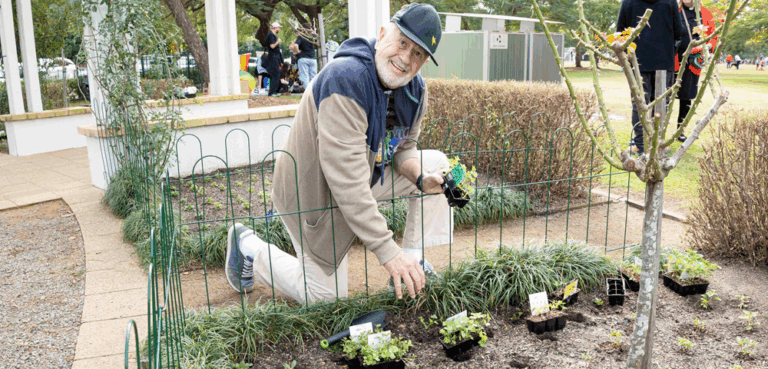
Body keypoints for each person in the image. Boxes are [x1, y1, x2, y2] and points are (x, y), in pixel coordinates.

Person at [225, 3, 447, 304]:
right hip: (313, 193)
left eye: (418, 53)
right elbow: (346, 181)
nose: (406, 58)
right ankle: (248, 246)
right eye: (403, 43)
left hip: (363, 175)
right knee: (324, 297)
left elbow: (404, 147)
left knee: (436, 165)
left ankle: (414, 263)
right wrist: (388, 251)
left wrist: (421, 178)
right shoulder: (346, 80)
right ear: (382, 36)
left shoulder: (414, 90)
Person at [617, 0, 685, 155]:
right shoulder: (670, 2)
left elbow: (620, 31)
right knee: (661, 104)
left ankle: (641, 145)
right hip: (663, 60)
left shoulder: (628, 2)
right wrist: (669, 51)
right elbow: (679, 31)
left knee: (639, 104)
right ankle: (658, 143)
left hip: (637, 59)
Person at [674, 0, 718, 142]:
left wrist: (701, 48)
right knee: (665, 95)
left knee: (686, 96)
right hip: (673, 60)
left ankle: (680, 130)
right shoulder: (674, 9)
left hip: (693, 61)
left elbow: (713, 38)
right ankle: (659, 130)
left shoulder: (705, 13)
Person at [290, 23, 318, 89]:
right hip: (312, 58)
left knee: (305, 76)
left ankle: (307, 92)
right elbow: (316, 35)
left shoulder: (301, 36)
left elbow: (295, 45)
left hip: (303, 58)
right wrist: (312, 31)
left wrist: (298, 52)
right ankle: (313, 91)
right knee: (313, 76)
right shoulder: (313, 36)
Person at [264, 22, 284, 96]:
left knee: (275, 74)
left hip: (275, 57)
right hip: (273, 57)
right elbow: (272, 46)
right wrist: (278, 42)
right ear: (275, 28)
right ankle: (272, 92)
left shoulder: (272, 35)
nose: (279, 29)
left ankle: (273, 91)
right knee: (275, 74)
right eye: (278, 27)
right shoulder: (271, 35)